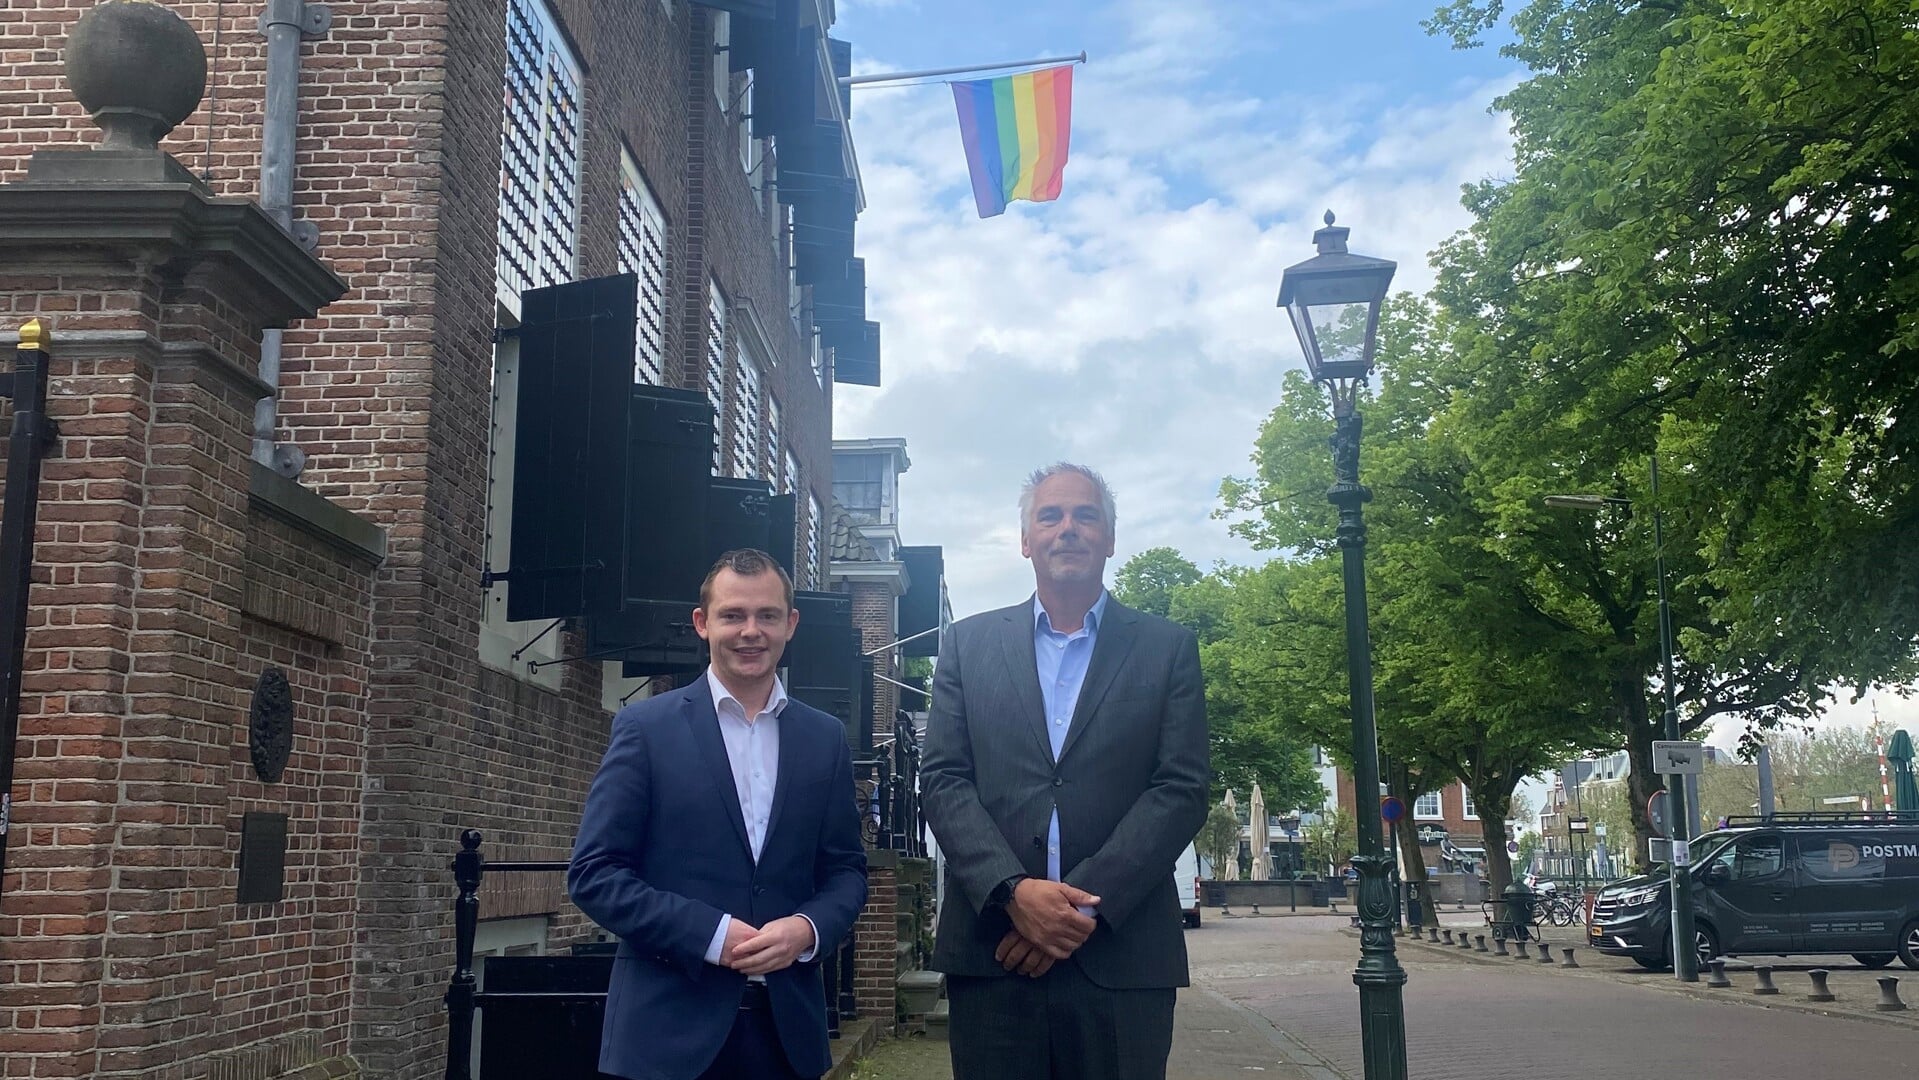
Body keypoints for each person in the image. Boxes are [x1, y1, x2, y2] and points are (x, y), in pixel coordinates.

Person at [921, 463, 1210, 1080]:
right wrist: (1012, 892)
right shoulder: (966, 646)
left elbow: (1181, 788)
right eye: (1049, 516)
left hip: (1122, 959)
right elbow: (944, 779)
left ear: (1109, 537)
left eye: (1086, 515)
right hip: (993, 955)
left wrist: (1077, 909)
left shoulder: (1168, 648)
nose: (1068, 529)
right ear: (1026, 539)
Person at [569, 549, 868, 1080]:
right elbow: (595, 875)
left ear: (790, 624)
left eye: (767, 615)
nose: (750, 631)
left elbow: (845, 872)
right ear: (703, 624)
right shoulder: (646, 729)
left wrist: (808, 929)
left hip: (786, 1038)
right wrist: (711, 934)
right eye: (733, 615)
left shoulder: (826, 739)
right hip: (665, 1038)